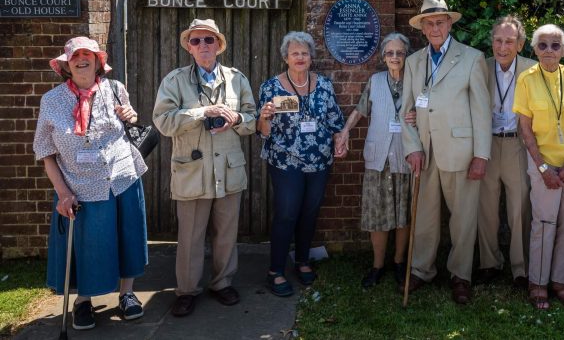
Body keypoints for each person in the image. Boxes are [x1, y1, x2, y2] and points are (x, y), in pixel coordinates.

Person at [34, 37, 148, 330]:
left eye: (88, 54)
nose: (82, 59)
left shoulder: (114, 89)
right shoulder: (52, 101)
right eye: (75, 56)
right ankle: (83, 300)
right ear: (66, 65)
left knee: (128, 237)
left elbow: (130, 121)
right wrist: (62, 193)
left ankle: (127, 294)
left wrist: (131, 115)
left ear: (99, 61)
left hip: (123, 177)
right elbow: (45, 152)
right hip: (80, 185)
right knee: (89, 246)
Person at [152, 19, 257, 317]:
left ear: (219, 45)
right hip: (192, 171)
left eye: (208, 40)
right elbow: (163, 122)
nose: (203, 46)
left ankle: (222, 283)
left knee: (226, 233)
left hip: (228, 168)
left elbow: (252, 119)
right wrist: (202, 112)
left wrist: (236, 120)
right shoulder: (174, 81)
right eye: (196, 41)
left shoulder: (237, 79)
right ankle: (186, 290)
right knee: (190, 237)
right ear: (189, 47)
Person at [401, 0, 491, 305]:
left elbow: (482, 112)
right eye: (429, 23)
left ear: (449, 24)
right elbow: (406, 110)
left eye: (441, 22)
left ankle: (460, 275)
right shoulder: (413, 62)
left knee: (463, 218)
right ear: (422, 28)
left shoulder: (472, 58)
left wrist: (482, 155)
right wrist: (412, 147)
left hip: (462, 152)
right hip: (424, 152)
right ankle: (421, 269)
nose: (435, 27)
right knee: (424, 215)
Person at [513, 24, 564, 311]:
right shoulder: (526, 79)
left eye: (555, 45)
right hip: (542, 163)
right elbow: (525, 129)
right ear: (534, 49)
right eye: (543, 45)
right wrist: (544, 168)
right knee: (544, 222)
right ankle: (537, 282)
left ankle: (562, 281)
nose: (549, 51)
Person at [257, 31, 345, 297]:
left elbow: (335, 120)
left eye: (304, 53)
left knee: (310, 212)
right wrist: (265, 117)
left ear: (311, 57)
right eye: (295, 53)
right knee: (286, 214)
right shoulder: (271, 88)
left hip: (319, 161)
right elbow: (263, 131)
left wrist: (342, 137)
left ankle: (303, 261)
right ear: (285, 57)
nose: (300, 57)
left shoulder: (325, 85)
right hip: (286, 162)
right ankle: (275, 271)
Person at [337, 33, 414, 288]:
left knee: (403, 214)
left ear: (406, 55)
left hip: (405, 156)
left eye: (400, 53)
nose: (395, 57)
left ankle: (400, 263)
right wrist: (346, 131)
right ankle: (377, 265)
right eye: (390, 53)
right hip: (378, 157)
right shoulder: (375, 80)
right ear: (383, 56)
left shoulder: (415, 81)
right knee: (376, 215)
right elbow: (361, 109)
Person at [476, 15, 535, 289]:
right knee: (485, 207)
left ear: (520, 44)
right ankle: (489, 263)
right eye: (498, 40)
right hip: (486, 144)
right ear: (492, 42)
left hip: (517, 144)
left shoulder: (533, 70)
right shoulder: (481, 67)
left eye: (509, 41)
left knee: (520, 207)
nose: (503, 47)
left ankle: (521, 269)